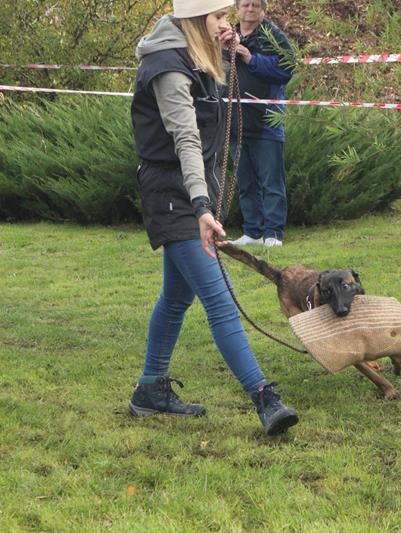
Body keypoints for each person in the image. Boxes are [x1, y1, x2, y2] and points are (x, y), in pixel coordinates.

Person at [128, 0, 298, 436]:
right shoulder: (168, 67)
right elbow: (185, 138)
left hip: (191, 189)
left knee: (176, 298)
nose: (227, 23)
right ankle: (264, 397)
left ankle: (149, 389)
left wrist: (224, 55)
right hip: (175, 195)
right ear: (194, 20)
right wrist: (202, 206)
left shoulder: (194, 55)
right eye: (219, 17)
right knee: (220, 299)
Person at [227, 0, 294, 248]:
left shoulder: (273, 36)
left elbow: (286, 69)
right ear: (237, 9)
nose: (250, 9)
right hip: (234, 122)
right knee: (245, 182)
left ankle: (273, 232)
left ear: (264, 10)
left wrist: (250, 58)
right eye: (245, 4)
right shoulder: (227, 35)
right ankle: (252, 231)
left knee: (271, 182)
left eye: (256, 4)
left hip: (267, 122)